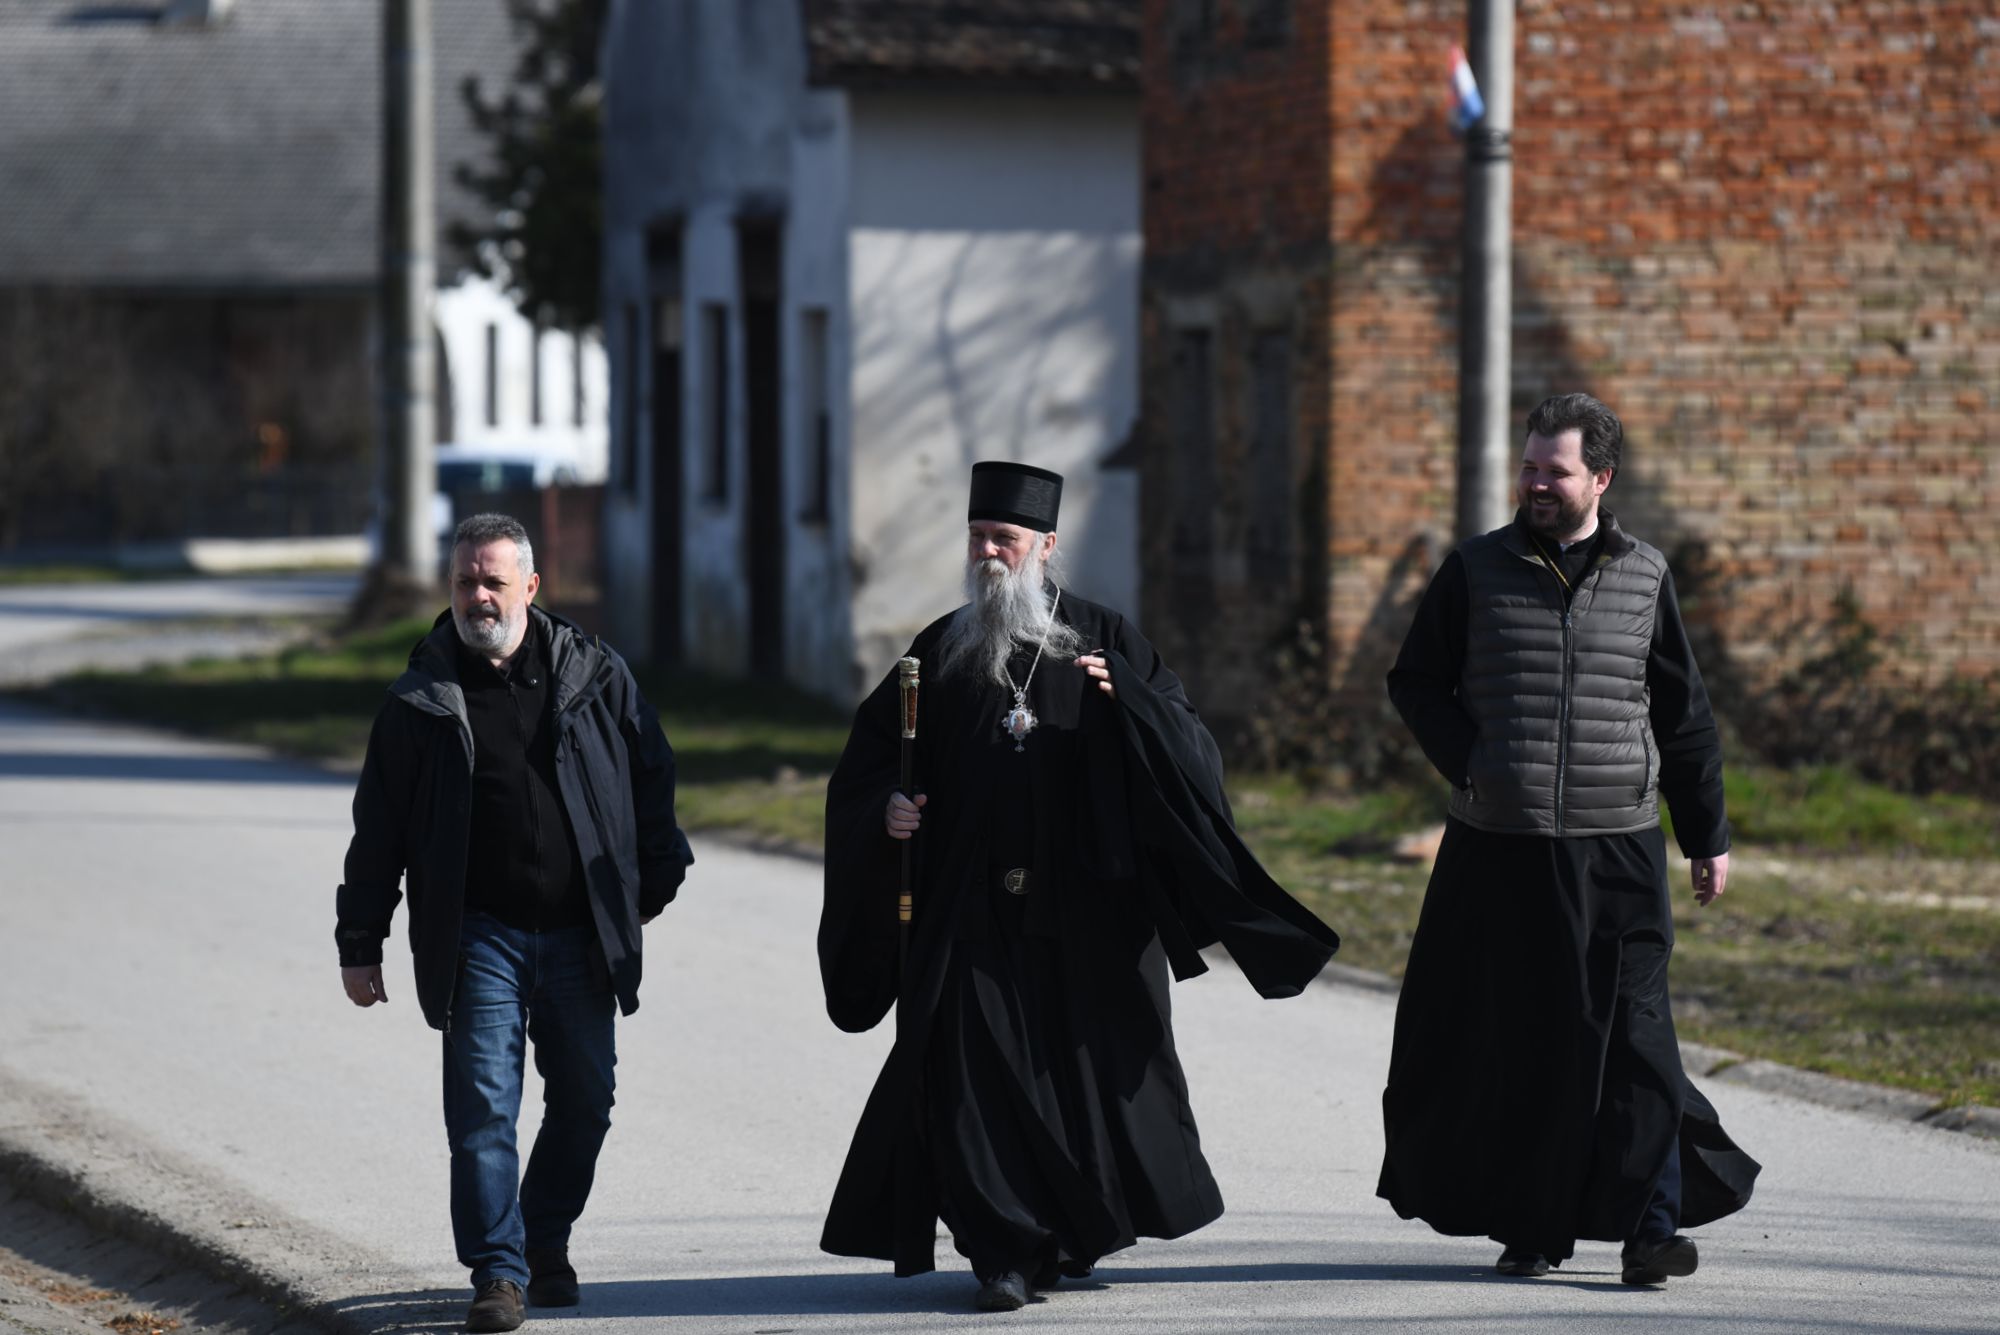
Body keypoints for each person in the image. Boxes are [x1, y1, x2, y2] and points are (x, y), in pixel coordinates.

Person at [817, 461, 1341, 1312]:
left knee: (1084, 1078)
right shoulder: (940, 648)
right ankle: (1003, 1251)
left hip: (1091, 907)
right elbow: (871, 762)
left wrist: (1130, 703)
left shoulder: (1107, 641)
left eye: (1007, 541)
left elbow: (1193, 759)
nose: (990, 554)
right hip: (971, 907)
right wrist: (889, 811)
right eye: (980, 538)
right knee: (970, 1075)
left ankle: (1064, 1229)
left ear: (1047, 548)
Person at [1377, 393, 1761, 1284]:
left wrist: (1707, 834)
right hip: (1502, 846)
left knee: (1640, 1039)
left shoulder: (1645, 576)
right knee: (1530, 1040)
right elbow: (1416, 681)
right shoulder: (1474, 570)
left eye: (1555, 469)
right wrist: (1471, 761)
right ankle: (1535, 1224)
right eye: (1529, 466)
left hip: (1619, 843)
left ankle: (1651, 1229)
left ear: (1601, 478)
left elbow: (1686, 714)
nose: (1537, 482)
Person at [335, 513, 692, 1333]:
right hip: (479, 934)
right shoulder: (421, 697)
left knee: (587, 1100)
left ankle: (543, 1237)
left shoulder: (595, 674)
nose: (479, 596)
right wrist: (361, 941)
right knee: (484, 1110)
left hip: (578, 934)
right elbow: (378, 827)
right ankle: (499, 1271)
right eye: (465, 581)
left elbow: (652, 776)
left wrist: (651, 882)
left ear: (532, 586)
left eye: (494, 580)